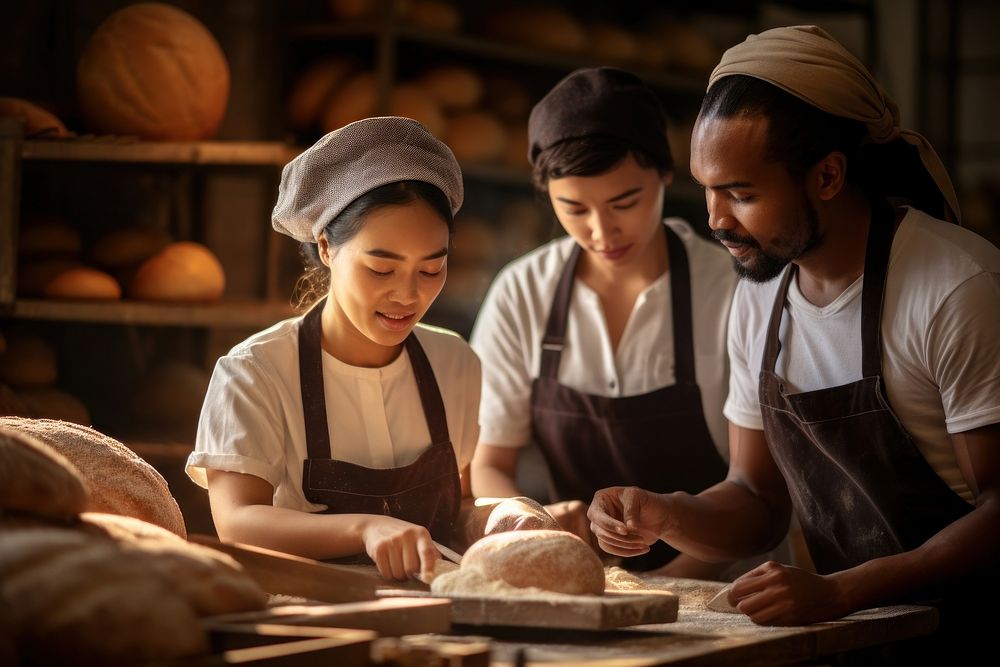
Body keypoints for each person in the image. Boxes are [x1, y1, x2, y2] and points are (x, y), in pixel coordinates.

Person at [588, 25, 1000, 652]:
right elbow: (757, 501)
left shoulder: (956, 286)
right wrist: (668, 513)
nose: (715, 219)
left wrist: (840, 592)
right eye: (707, 189)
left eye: (742, 194)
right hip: (858, 640)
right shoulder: (761, 297)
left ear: (828, 177)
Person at [186, 117, 544, 582]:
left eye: (431, 270)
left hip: (436, 612)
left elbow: (460, 506)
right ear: (327, 248)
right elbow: (237, 522)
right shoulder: (255, 371)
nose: (408, 296)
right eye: (381, 269)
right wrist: (365, 529)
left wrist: (504, 518)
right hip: (309, 614)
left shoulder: (454, 363)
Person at [469, 67, 743, 576]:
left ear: (664, 173)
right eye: (573, 208)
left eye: (625, 202)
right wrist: (533, 523)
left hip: (727, 583)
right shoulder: (523, 292)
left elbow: (761, 491)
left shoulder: (729, 291)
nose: (601, 231)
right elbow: (489, 465)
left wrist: (667, 587)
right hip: (581, 579)